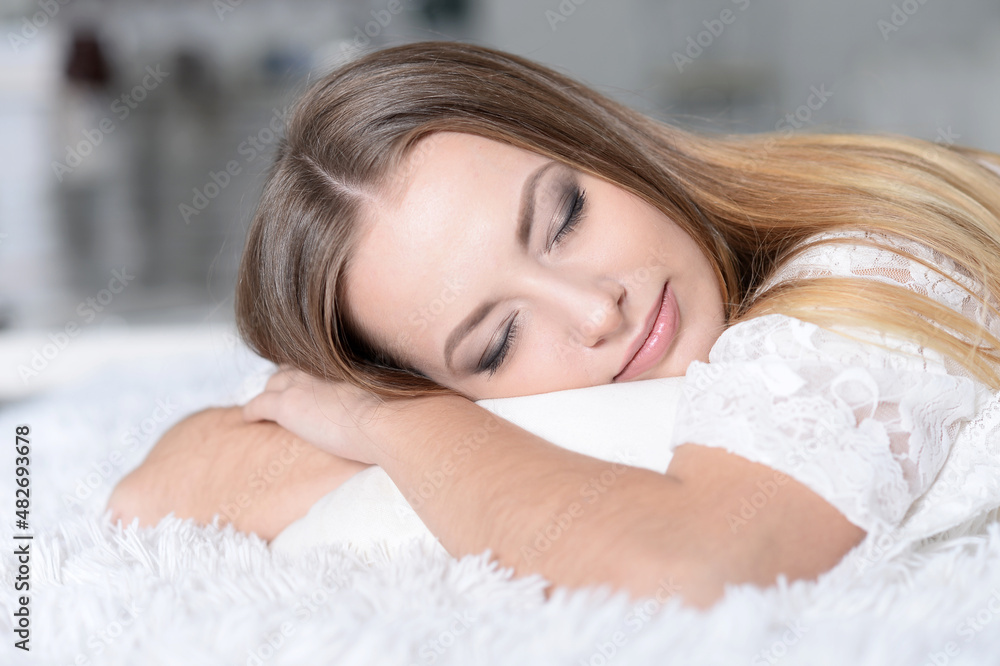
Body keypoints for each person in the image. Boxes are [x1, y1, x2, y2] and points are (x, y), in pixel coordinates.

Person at [108, 40, 1000, 610]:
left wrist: (394, 423)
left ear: (600, 146)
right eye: (496, 342)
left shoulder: (864, 280)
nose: (594, 308)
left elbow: (696, 569)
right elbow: (151, 494)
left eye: (564, 216)